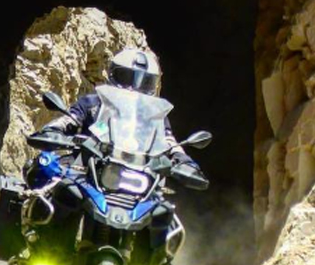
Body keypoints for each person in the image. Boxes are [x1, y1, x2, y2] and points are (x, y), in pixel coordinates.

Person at [39, 47, 208, 189]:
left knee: (164, 212)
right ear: (112, 75)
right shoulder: (93, 103)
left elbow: (169, 142)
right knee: (44, 169)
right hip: (87, 168)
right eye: (126, 77)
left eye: (145, 82)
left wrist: (185, 162)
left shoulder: (156, 117)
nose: (134, 87)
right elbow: (69, 120)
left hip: (138, 173)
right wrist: (54, 131)